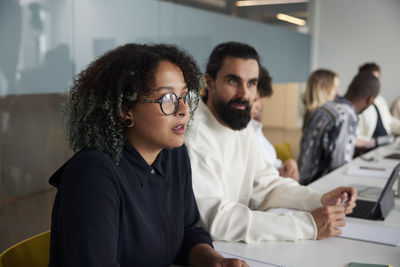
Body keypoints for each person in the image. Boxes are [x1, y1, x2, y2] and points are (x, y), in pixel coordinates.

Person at [48, 43, 248, 267]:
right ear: (126, 109)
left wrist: (215, 261)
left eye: (185, 96)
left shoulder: (173, 154)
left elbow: (188, 231)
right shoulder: (92, 175)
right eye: (167, 99)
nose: (183, 110)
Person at [185, 41, 357, 243]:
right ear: (210, 82)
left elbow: (266, 184)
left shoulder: (242, 126)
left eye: (251, 83)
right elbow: (217, 220)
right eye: (233, 81)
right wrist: (305, 225)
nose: (244, 94)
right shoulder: (192, 134)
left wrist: (319, 199)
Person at [299, 71, 380, 185]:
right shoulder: (345, 116)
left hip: (304, 181)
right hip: (318, 188)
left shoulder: (326, 107)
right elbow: (339, 169)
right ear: (370, 99)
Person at [249, 66, 299, 181]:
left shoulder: (254, 127)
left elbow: (270, 163)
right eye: (255, 100)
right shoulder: (240, 133)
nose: (261, 105)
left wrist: (285, 165)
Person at [356, 63, 400, 145]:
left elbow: (389, 122)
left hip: (387, 144)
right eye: (372, 79)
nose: (375, 83)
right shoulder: (356, 102)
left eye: (377, 79)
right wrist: (373, 143)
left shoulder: (380, 99)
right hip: (369, 148)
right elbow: (355, 136)